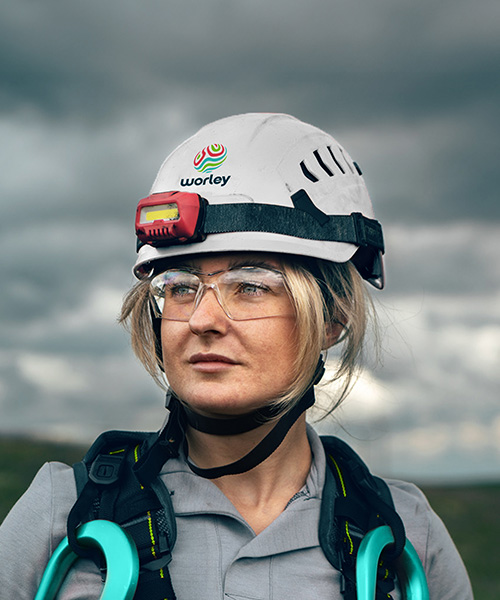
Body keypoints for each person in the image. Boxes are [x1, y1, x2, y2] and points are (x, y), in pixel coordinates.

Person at [0, 113, 473, 599]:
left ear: (334, 315)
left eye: (250, 286)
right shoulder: (64, 515)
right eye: (180, 286)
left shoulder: (406, 537)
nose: (202, 319)